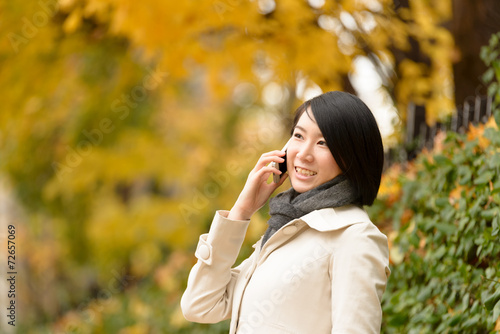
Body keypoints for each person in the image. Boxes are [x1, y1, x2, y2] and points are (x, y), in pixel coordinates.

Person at [181, 91, 391, 333]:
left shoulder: (354, 238)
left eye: (323, 143)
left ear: (352, 157)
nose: (303, 154)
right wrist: (241, 211)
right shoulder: (284, 229)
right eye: (299, 136)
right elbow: (199, 305)